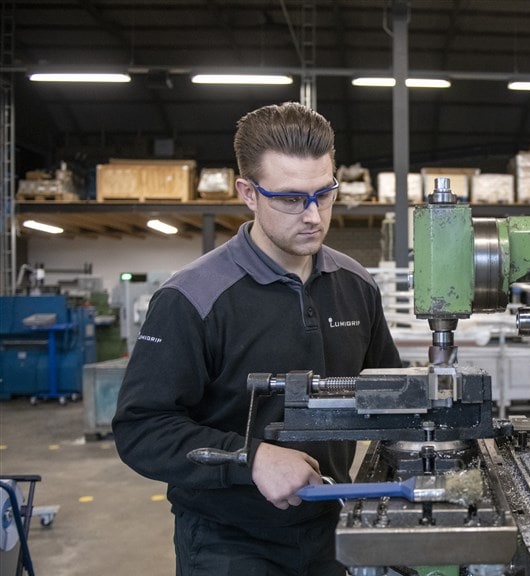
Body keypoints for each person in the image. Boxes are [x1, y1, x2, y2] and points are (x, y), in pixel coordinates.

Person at [113, 101, 402, 576]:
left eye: (324, 194)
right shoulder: (193, 298)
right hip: (228, 542)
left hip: (332, 528)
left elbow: (391, 396)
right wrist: (251, 460)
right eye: (290, 199)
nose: (312, 216)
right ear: (248, 193)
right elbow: (141, 429)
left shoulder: (356, 286)